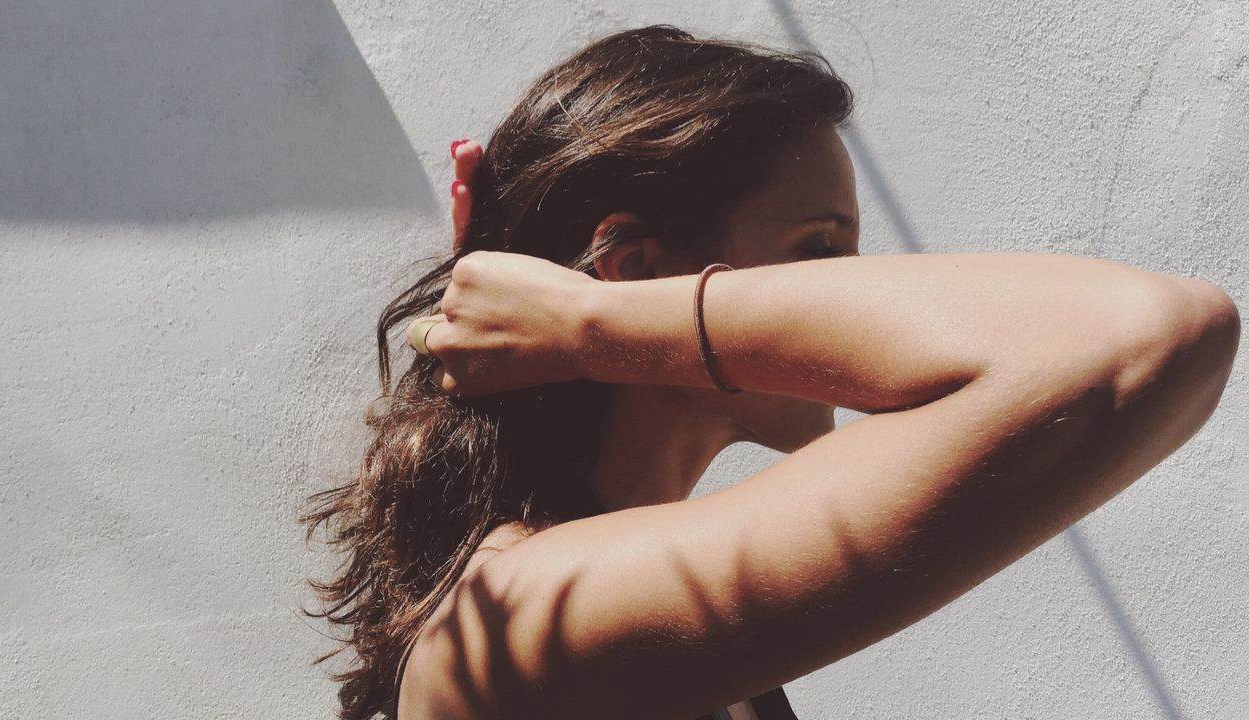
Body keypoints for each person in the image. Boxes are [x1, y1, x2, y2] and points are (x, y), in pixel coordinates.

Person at [300, 25, 1240, 720]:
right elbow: (1147, 338)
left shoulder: (601, 576)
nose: (858, 300)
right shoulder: (535, 607)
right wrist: (598, 321)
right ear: (637, 270)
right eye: (821, 253)